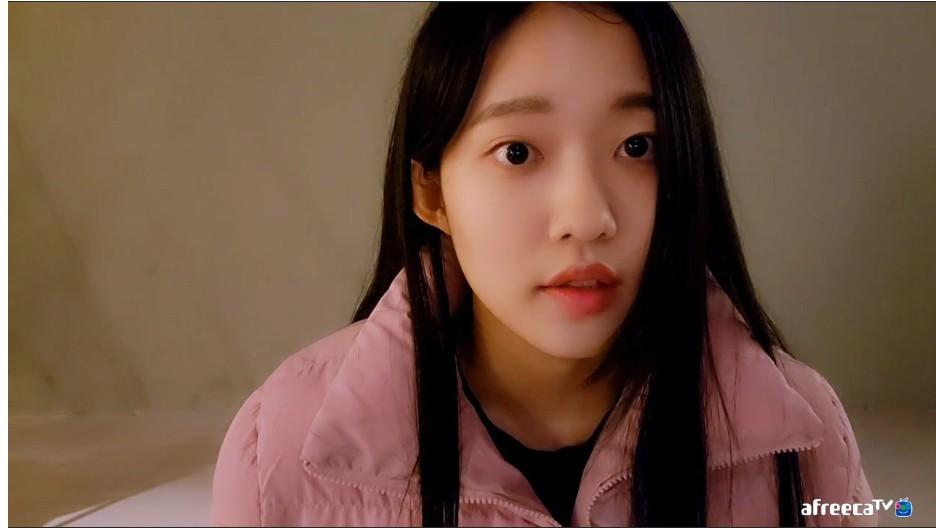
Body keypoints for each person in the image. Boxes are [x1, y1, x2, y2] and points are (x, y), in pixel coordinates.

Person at [211, 3, 876, 526]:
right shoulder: (280, 449)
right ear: (431, 191)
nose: (587, 218)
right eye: (518, 153)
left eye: (638, 146)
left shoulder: (801, 444)